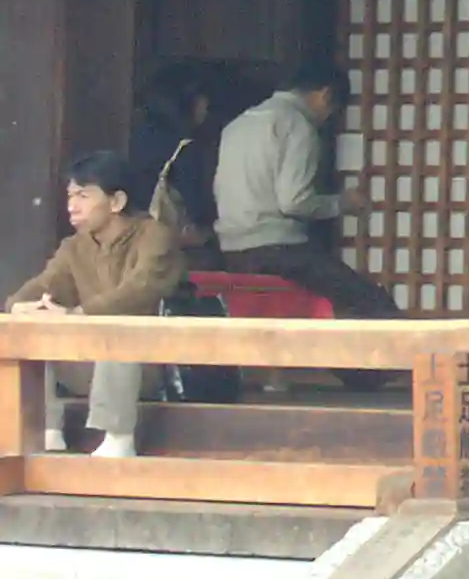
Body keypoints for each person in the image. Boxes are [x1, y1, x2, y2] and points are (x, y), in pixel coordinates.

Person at [10, 153, 186, 458]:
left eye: (83, 195)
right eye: (70, 196)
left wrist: (78, 314)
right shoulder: (75, 246)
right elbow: (45, 284)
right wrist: (19, 307)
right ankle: (47, 430)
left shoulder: (154, 236)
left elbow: (139, 289)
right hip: (88, 365)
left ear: (116, 201)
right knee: (35, 330)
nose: (72, 205)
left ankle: (118, 438)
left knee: (116, 334)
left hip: (149, 366)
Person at [212, 61, 400, 317]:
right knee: (372, 303)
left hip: (231, 249)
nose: (327, 120)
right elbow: (294, 202)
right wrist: (343, 203)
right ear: (325, 95)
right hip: (278, 250)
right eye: (332, 112)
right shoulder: (298, 125)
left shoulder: (237, 125)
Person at [130, 63, 218, 238]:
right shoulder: (184, 147)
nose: (206, 107)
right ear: (186, 101)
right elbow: (194, 205)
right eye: (202, 98)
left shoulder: (138, 136)